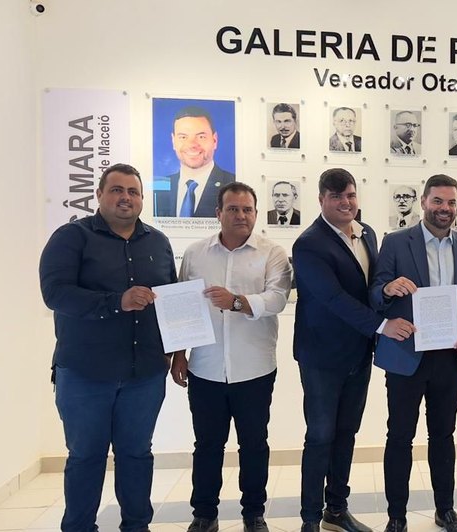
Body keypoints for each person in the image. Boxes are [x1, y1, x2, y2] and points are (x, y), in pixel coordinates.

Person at [39, 163, 177, 532]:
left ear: (142, 199)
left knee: (137, 456)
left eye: (133, 191)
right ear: (99, 194)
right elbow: (55, 294)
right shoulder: (71, 237)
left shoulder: (159, 243)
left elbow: (171, 301)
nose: (125, 197)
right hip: (85, 373)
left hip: (144, 374)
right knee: (86, 457)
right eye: (116, 190)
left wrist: (177, 351)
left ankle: (137, 526)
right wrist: (117, 302)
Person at [293, 168, 415, 532]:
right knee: (320, 437)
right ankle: (310, 518)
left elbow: (370, 287)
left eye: (350, 195)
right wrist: (382, 325)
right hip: (322, 357)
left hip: (359, 353)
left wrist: (387, 289)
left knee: (346, 433)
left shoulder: (367, 233)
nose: (345, 203)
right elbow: (332, 298)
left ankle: (336, 509)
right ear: (321, 200)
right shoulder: (309, 243)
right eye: (336, 197)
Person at [171, 182, 291, 532]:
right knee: (207, 445)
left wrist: (237, 302)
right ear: (218, 213)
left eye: (247, 209)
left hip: (254, 369)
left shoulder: (272, 253)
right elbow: (182, 307)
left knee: (254, 444)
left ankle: (254, 513)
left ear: (256, 213)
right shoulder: (196, 253)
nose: (241, 215)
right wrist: (179, 355)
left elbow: (278, 298)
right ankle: (204, 514)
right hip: (205, 368)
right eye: (233, 209)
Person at [370, 174, 457, 532]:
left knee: (443, 436)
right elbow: (374, 292)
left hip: (449, 357)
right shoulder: (395, 242)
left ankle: (445, 510)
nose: (445, 209)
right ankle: (396, 516)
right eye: (438, 201)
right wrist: (388, 288)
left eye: (451, 202)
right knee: (399, 437)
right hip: (406, 355)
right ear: (423, 202)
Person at [155, 106, 237, 217]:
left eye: (201, 137)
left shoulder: (233, 185)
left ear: (214, 140)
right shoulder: (159, 187)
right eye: (183, 137)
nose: (192, 145)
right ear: (173, 141)